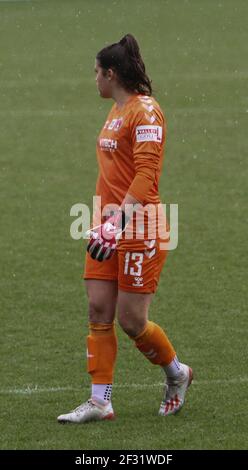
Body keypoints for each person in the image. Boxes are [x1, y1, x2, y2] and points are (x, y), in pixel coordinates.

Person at [57, 34, 193, 424]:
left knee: (131, 320)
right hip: (105, 225)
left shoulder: (145, 112)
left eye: (96, 73)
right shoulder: (116, 110)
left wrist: (118, 222)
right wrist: (103, 223)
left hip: (140, 226)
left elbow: (147, 175)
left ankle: (177, 374)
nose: (94, 80)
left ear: (111, 73)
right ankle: (100, 402)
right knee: (98, 306)